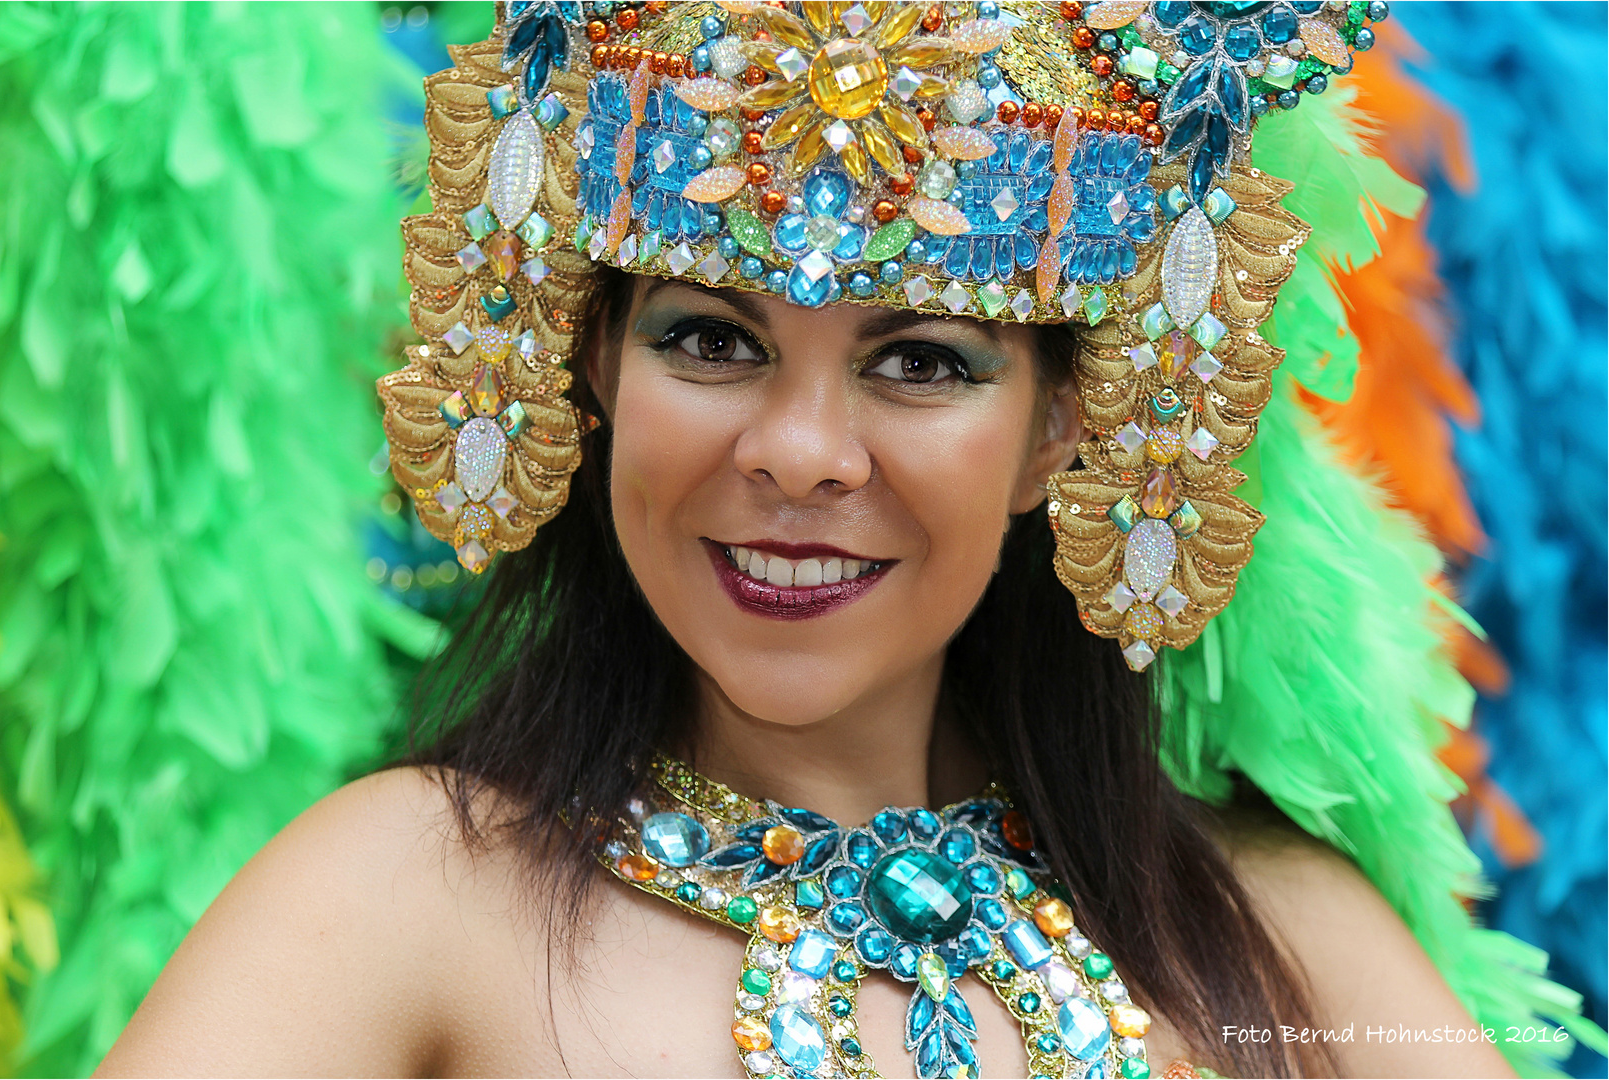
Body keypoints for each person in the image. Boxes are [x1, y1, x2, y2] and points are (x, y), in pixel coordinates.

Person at [99, 3, 1547, 1077]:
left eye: (921, 361)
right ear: (593, 364)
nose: (797, 452)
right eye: (711, 339)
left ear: (1064, 425)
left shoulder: (1279, 937)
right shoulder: (400, 897)